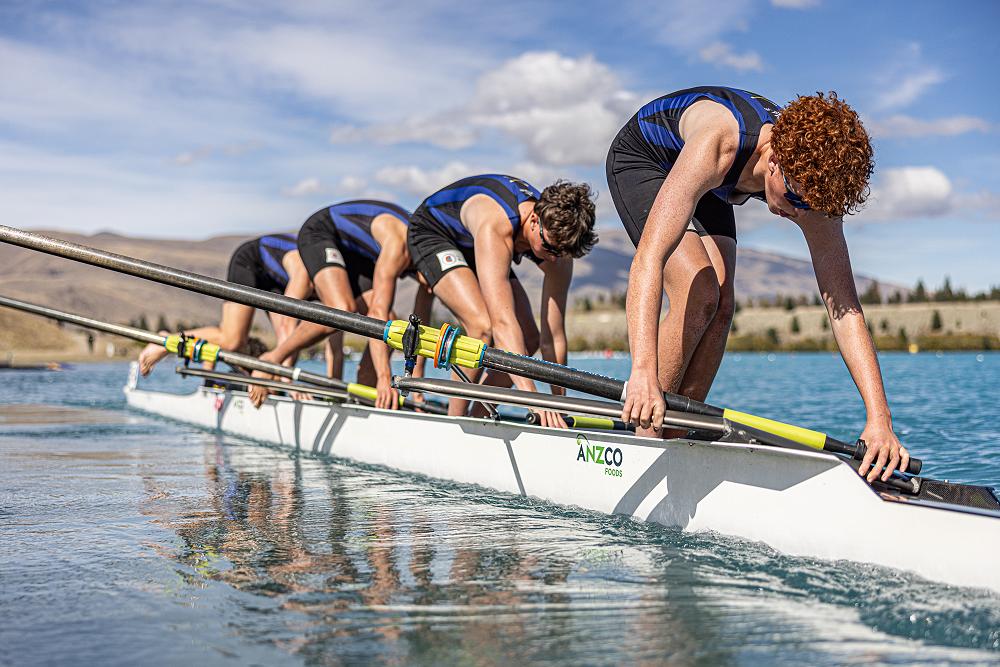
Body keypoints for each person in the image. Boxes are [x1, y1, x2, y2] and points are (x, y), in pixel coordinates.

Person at [606, 86, 908, 482]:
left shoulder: (813, 186)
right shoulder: (721, 142)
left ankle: (680, 432)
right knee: (698, 289)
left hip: (710, 181)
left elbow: (845, 309)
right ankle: (642, 436)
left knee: (722, 303)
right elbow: (648, 260)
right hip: (648, 158)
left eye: (812, 207)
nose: (800, 214)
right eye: (797, 200)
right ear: (777, 161)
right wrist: (642, 372)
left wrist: (879, 420)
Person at [407, 174, 597, 427]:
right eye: (550, 249)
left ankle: (480, 416)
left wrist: (557, 405)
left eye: (562, 253)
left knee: (529, 338)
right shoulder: (497, 224)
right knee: (481, 326)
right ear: (533, 220)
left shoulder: (558, 249)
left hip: (475, 240)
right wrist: (534, 400)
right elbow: (502, 324)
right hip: (434, 233)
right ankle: (455, 423)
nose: (554, 259)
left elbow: (553, 337)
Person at [247, 201, 432, 409]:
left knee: (390, 324)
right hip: (320, 233)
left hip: (355, 255)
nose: (434, 289)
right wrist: (286, 378)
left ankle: (367, 393)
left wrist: (417, 387)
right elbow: (287, 320)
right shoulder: (398, 247)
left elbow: (419, 331)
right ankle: (270, 360)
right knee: (343, 309)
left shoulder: (429, 274)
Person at [136, 233, 334, 376]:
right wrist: (287, 382)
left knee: (279, 350)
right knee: (232, 340)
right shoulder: (306, 276)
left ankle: (232, 372)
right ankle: (166, 341)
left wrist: (338, 401)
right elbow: (288, 328)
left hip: (275, 282)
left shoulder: (337, 296)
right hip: (251, 262)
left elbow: (334, 349)